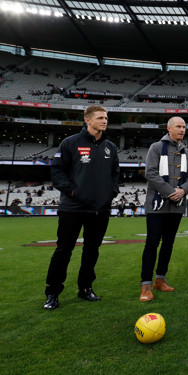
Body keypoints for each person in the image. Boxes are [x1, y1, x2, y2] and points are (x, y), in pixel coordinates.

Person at [43, 105, 120, 310]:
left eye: (106, 117)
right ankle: (53, 292)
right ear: (87, 120)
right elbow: (57, 173)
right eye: (100, 117)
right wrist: (74, 193)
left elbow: (115, 173)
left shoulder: (110, 147)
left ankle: (85, 288)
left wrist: (111, 193)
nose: (105, 121)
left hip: (100, 210)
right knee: (64, 250)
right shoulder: (70, 143)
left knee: (91, 251)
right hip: (73, 208)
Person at [139, 117, 188, 302]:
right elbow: (150, 173)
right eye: (178, 126)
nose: (182, 129)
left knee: (168, 244)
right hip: (157, 205)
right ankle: (145, 285)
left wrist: (183, 190)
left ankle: (160, 280)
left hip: (176, 207)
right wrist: (171, 192)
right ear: (169, 128)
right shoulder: (156, 147)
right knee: (152, 243)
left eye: (184, 127)